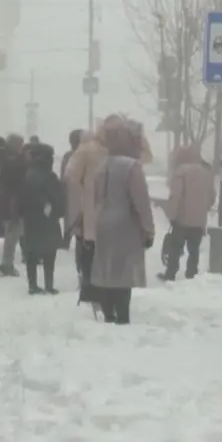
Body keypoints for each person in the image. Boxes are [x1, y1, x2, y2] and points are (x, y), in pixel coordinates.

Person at [90, 120, 155, 324]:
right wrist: (148, 229)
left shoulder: (102, 165)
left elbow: (95, 195)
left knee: (106, 267)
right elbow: (141, 202)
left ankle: (108, 313)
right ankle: (122, 315)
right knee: (124, 271)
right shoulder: (132, 167)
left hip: (102, 220)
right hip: (125, 222)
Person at [65, 116, 120, 314]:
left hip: (94, 212)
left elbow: (71, 174)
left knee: (93, 254)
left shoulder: (88, 149)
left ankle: (96, 294)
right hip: (116, 214)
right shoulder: (120, 151)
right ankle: (109, 297)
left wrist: (84, 193)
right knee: (108, 256)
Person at [159, 145, 216, 281]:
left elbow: (176, 196)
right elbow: (212, 196)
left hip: (182, 218)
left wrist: (172, 215)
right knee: (194, 249)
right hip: (199, 220)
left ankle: (171, 273)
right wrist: (203, 207)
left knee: (176, 248)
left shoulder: (181, 171)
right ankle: (192, 274)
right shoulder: (206, 172)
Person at [19, 143, 66, 294]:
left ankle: (32, 285)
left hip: (31, 219)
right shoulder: (50, 176)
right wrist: (57, 211)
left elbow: (21, 199)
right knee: (49, 253)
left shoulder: (27, 174)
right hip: (48, 220)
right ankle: (49, 284)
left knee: (31, 253)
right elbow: (58, 198)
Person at [0, 134, 28, 276]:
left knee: (14, 233)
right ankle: (7, 264)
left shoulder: (5, 157)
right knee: (12, 234)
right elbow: (17, 175)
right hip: (12, 202)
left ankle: (7, 262)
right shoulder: (11, 160)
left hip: (10, 201)